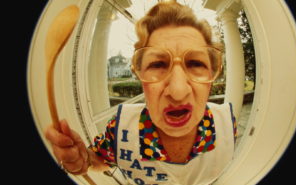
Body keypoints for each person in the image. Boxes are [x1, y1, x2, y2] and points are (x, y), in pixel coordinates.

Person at [45, 1, 238, 184]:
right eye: (158, 64)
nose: (178, 92)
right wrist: (83, 159)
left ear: (212, 76)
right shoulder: (120, 130)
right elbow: (99, 160)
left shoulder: (227, 127)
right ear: (140, 75)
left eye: (196, 63)